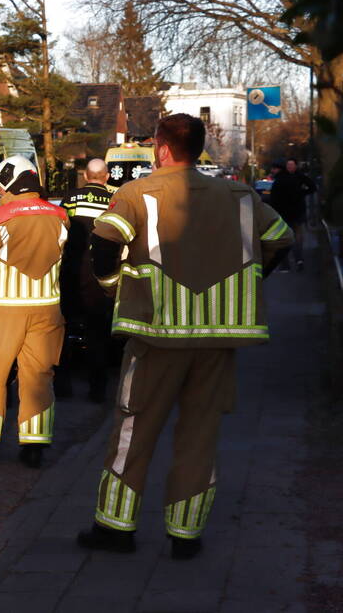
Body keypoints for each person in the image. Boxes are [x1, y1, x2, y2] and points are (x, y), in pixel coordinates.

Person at [76, 114, 293, 560]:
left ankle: (116, 527)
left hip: (155, 335)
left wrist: (112, 287)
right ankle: (185, 534)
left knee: (134, 428)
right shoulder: (239, 194)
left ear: (161, 148)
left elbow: (103, 243)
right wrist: (249, 284)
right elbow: (281, 238)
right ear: (198, 148)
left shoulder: (138, 193)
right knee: (200, 434)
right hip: (218, 337)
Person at [0, 157, 68, 468]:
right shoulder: (59, 215)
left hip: (4, 309)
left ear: (7, 181)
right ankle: (34, 444)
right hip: (47, 309)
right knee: (38, 376)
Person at [54, 158, 115, 403]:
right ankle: (97, 389)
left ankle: (62, 386)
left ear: (86, 176)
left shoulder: (70, 199)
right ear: (107, 177)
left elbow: (60, 234)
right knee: (98, 334)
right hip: (100, 275)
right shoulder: (115, 201)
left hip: (70, 271)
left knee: (62, 330)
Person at [269, 157, 316, 271]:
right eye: (288, 165)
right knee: (295, 235)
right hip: (293, 211)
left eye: (292, 165)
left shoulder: (284, 178)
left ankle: (290, 262)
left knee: (288, 237)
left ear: (295, 166)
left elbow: (274, 197)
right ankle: (297, 259)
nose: (290, 167)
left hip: (290, 212)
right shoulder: (293, 178)